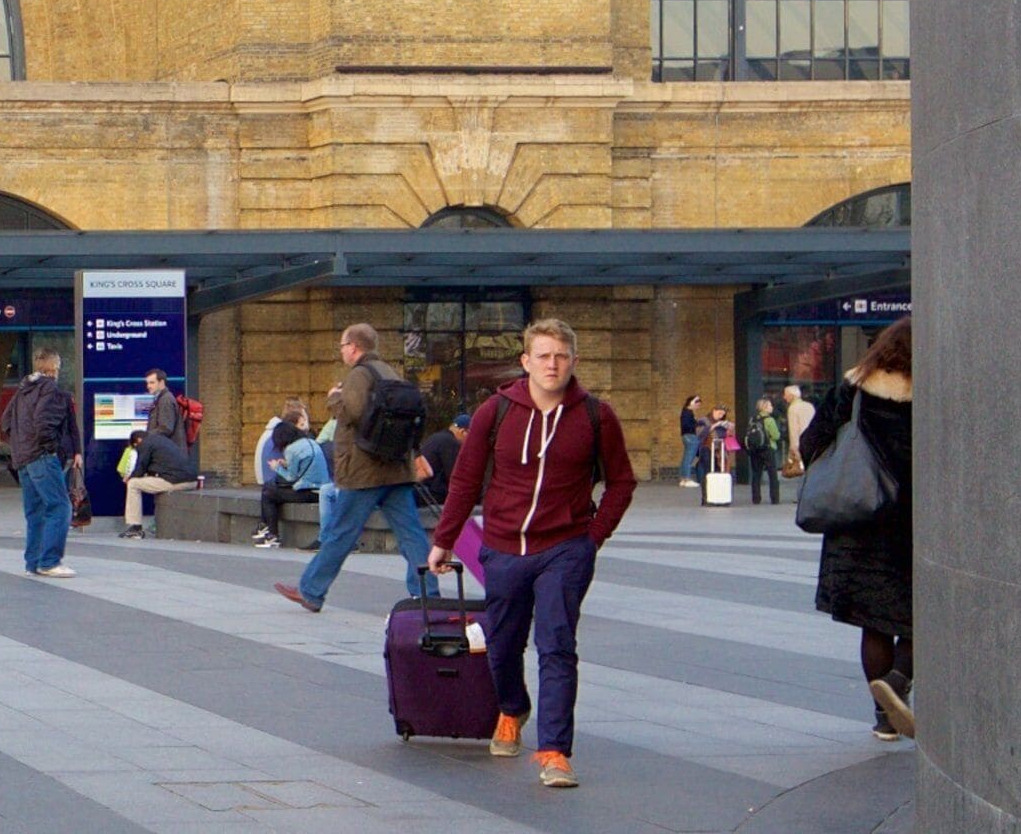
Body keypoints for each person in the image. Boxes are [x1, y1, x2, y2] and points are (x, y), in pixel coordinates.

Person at [428, 316, 635, 791]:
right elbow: (464, 481)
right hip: (502, 547)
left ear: (574, 362)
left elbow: (622, 481)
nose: (552, 364)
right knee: (502, 644)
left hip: (565, 548)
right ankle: (512, 708)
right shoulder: (495, 412)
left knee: (557, 645)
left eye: (561, 356)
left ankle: (555, 751)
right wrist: (444, 539)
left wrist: (593, 536)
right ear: (525, 361)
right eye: (543, 355)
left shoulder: (595, 416)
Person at [804, 320, 917, 740]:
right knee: (921, 617)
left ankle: (884, 718)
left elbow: (810, 442)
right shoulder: (932, 398)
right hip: (909, 526)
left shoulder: (850, 392)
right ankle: (900, 680)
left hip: (856, 524)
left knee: (875, 623)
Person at [282, 324, 435, 611]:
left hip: (364, 472)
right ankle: (428, 594)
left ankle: (312, 591)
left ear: (353, 346)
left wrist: (333, 397)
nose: (342, 352)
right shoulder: (391, 373)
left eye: (342, 346)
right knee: (411, 534)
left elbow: (351, 412)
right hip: (396, 470)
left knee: (341, 532)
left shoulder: (359, 375)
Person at [0, 347, 81, 578]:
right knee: (60, 507)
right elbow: (45, 422)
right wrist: (50, 448)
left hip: (23, 459)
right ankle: (50, 561)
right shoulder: (50, 389)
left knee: (35, 512)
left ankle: (33, 562)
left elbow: (5, 422)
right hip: (41, 457)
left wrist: (20, 447)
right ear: (54, 367)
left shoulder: (22, 390)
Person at [120, 370, 199, 536]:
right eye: (147, 383)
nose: (148, 386)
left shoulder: (165, 400)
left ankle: (135, 526)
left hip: (171, 466)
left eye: (152, 382)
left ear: (162, 382)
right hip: (177, 469)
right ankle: (153, 524)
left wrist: (147, 439)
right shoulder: (162, 399)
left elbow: (166, 427)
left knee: (135, 484)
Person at [256, 426, 327, 548]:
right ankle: (266, 529)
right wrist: (286, 463)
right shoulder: (310, 442)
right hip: (321, 490)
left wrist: (276, 467)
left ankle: (271, 533)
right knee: (270, 489)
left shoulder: (291, 449)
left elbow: (291, 477)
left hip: (308, 492)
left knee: (268, 493)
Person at [745, 394, 787, 508]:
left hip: (755, 449)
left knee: (756, 474)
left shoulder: (753, 419)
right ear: (764, 407)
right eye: (769, 405)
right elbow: (776, 435)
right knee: (772, 474)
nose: (772, 407)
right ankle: (774, 498)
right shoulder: (770, 420)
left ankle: (756, 498)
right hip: (768, 448)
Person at [677, 393, 706, 488]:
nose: (698, 406)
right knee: (689, 459)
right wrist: (697, 425)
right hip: (691, 436)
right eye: (697, 404)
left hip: (687, 436)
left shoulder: (686, 412)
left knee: (686, 458)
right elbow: (687, 425)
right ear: (692, 403)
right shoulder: (688, 412)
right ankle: (687, 479)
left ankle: (683, 479)